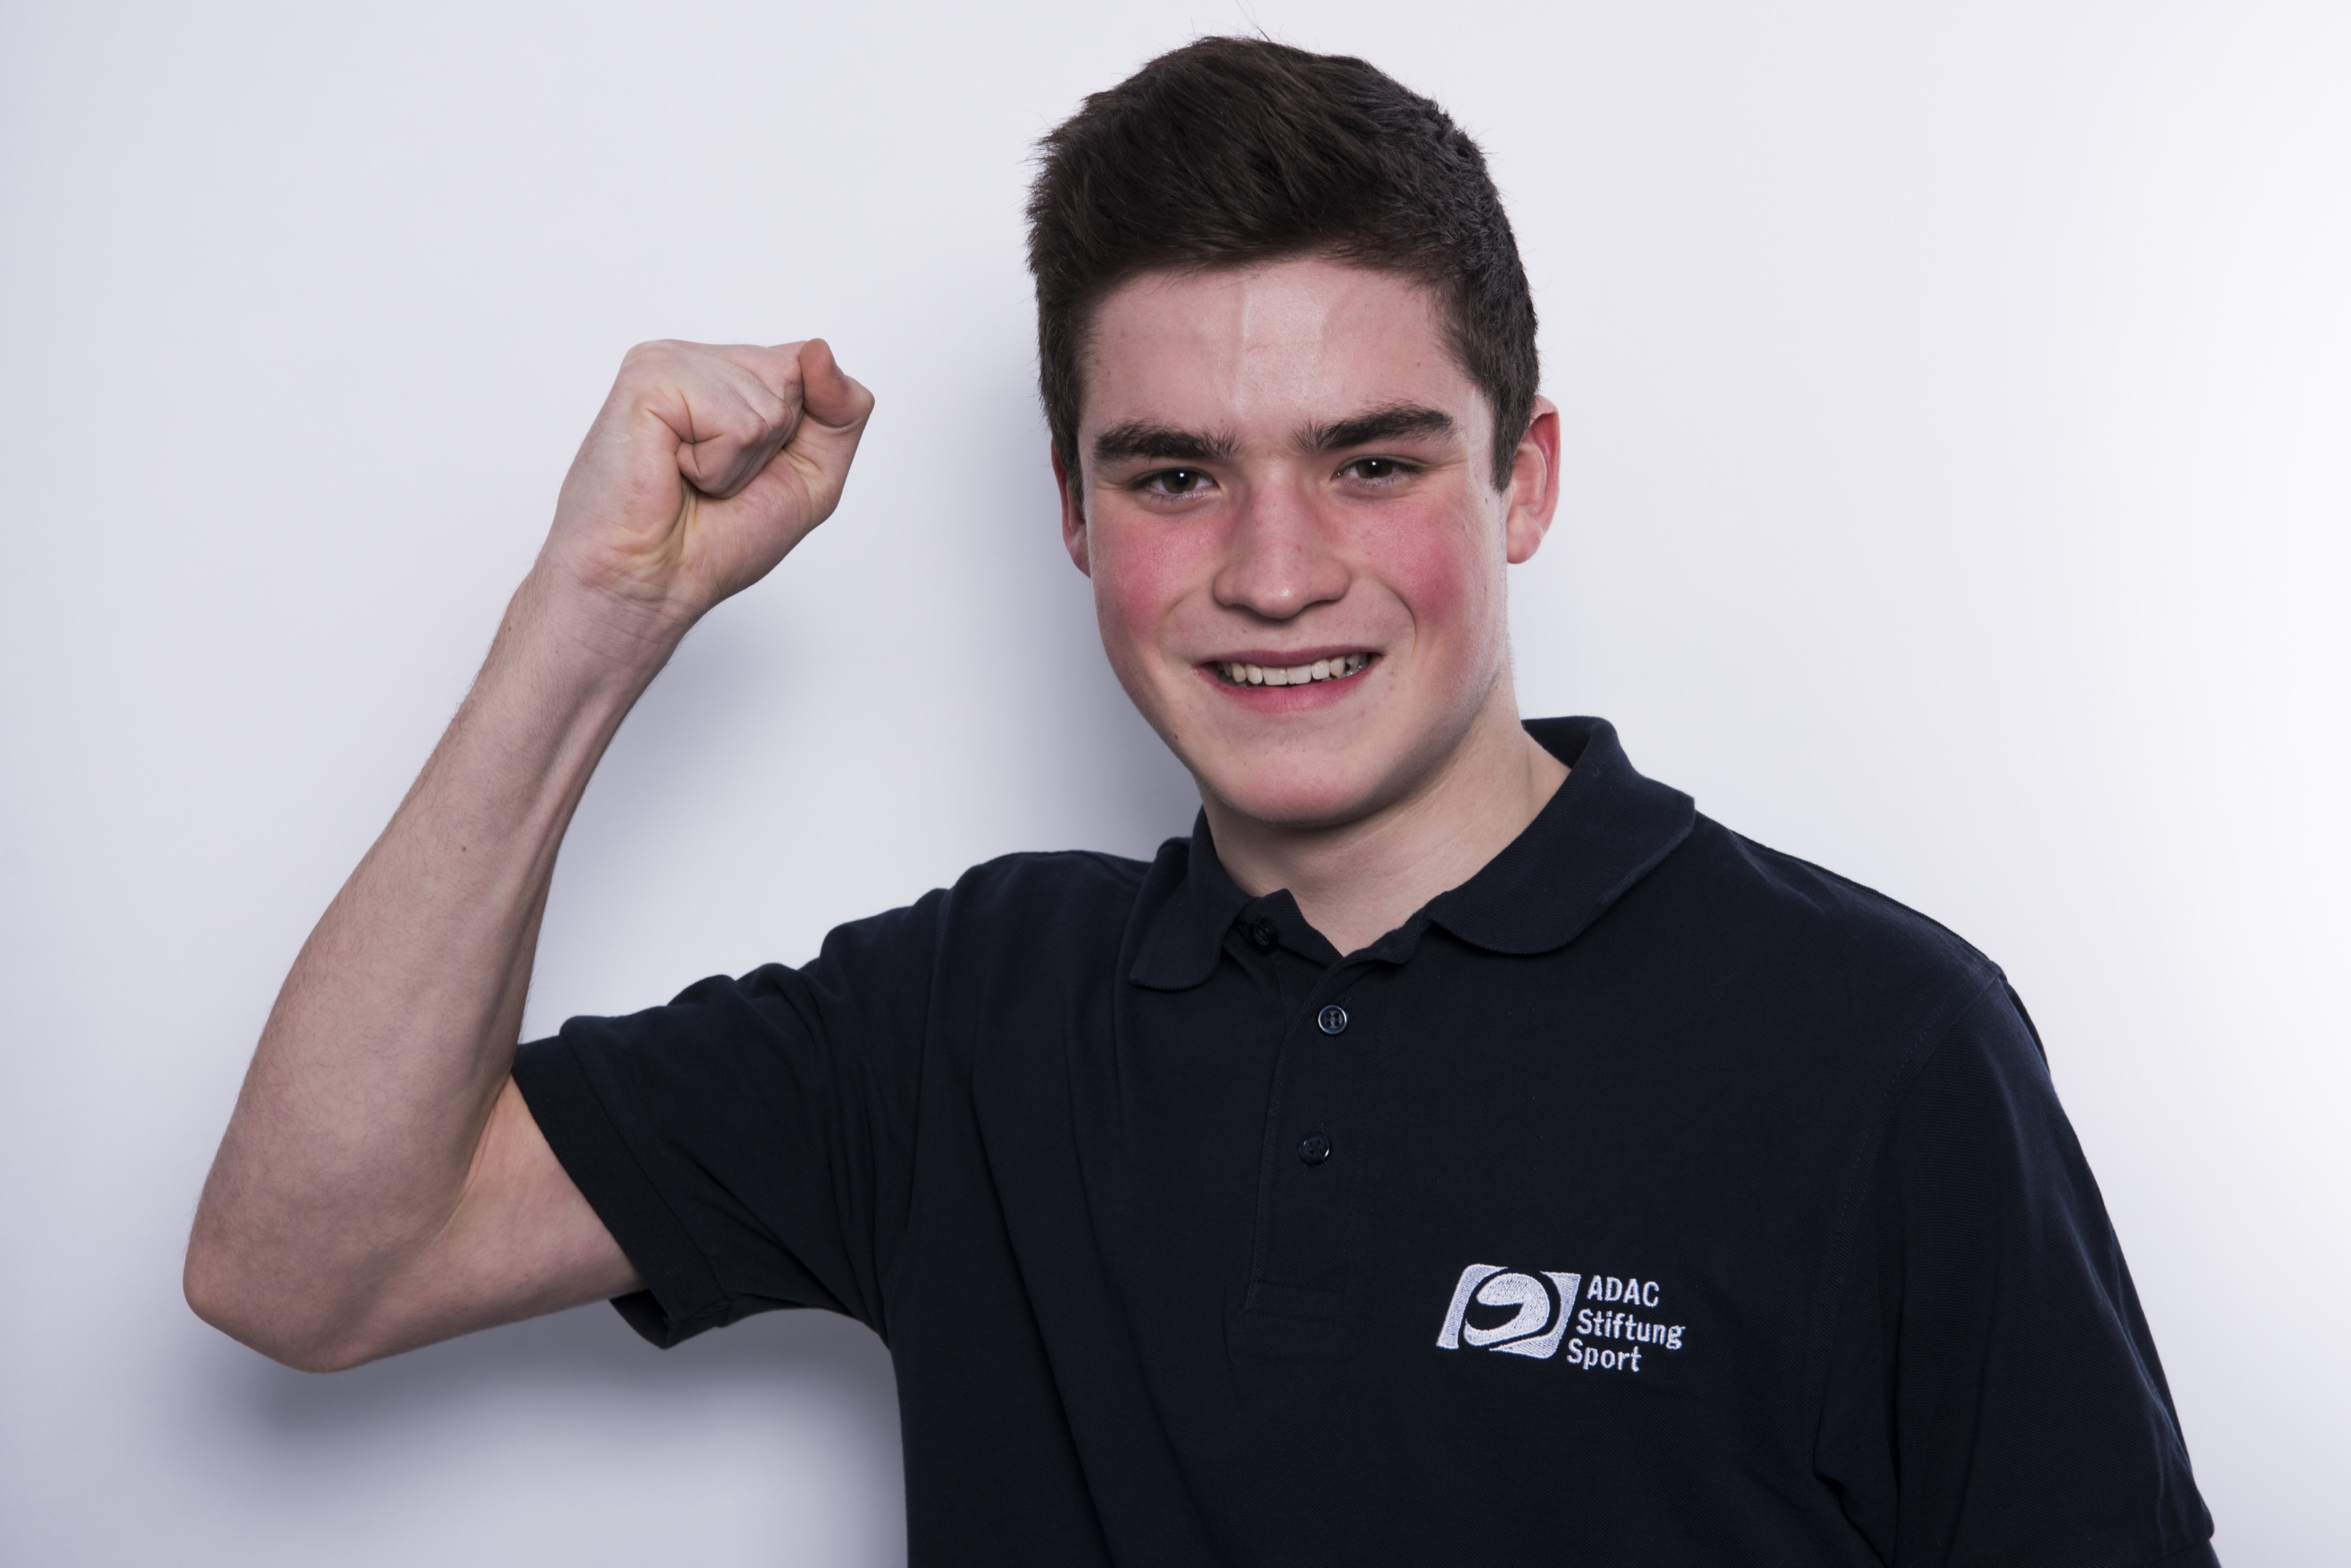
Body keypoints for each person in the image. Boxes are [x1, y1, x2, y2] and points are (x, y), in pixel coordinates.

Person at [186, 36, 2218, 1567]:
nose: (1273, 572)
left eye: (1372, 461)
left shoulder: (1878, 1047)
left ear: (1524, 480)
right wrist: (592, 622)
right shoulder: (964, 1019)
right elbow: (310, 1266)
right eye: (1176, 474)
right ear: (1074, 514)